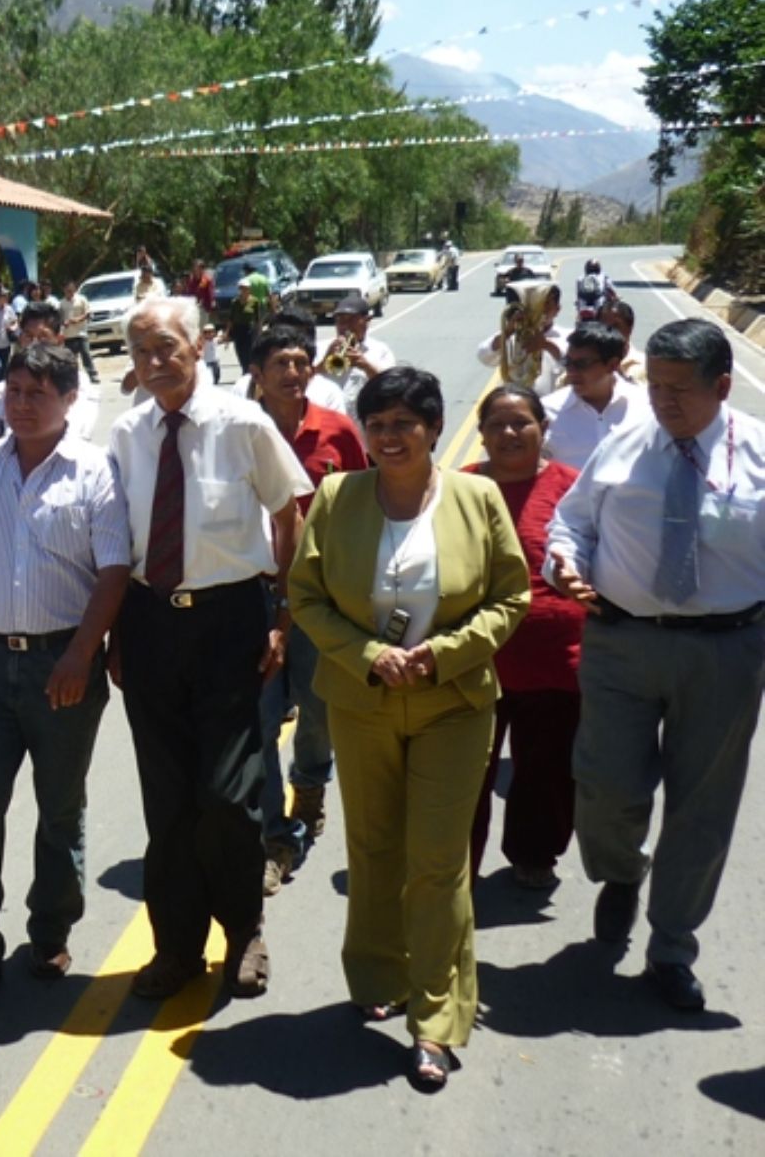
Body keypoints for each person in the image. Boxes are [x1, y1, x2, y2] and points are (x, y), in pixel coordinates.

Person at [288, 366, 529, 1091]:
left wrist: (440, 654)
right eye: (378, 422)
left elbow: (508, 597)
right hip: (362, 700)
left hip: (451, 702)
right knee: (372, 845)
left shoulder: (477, 498)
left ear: (432, 429)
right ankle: (374, 974)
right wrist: (369, 656)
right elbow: (305, 594)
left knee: (436, 861)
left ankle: (436, 1022)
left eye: (405, 424)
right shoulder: (338, 496)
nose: (390, 437)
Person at [546, 319, 765, 1014]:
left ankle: (671, 946)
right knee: (604, 785)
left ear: (721, 387)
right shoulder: (626, 442)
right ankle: (619, 873)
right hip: (621, 642)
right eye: (657, 385)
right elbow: (571, 521)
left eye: (679, 390)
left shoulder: (758, 453)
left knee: (702, 807)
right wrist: (566, 560)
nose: (663, 401)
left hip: (726, 651)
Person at [107, 297, 310, 1004]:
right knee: (167, 803)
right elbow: (115, 545)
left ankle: (244, 930)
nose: (154, 361)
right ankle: (177, 948)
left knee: (227, 795)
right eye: (140, 350)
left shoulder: (243, 423)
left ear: (198, 347)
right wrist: (114, 635)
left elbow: (289, 517)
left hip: (231, 623)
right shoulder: (127, 433)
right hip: (148, 624)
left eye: (166, 347)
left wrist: (284, 616)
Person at [0, 343, 132, 993]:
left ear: (70, 400)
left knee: (59, 808)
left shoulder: (97, 474)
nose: (22, 404)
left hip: (63, 664)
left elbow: (115, 572)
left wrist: (80, 653)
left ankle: (51, 935)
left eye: (38, 393)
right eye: (13, 391)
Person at [246, 325, 369, 897]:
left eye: (301, 362)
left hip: (323, 601)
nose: (293, 373)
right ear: (256, 373)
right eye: (280, 363)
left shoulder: (338, 431)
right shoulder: (238, 432)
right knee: (262, 721)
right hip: (255, 600)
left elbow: (364, 504)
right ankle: (275, 835)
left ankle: (311, 790)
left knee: (318, 715)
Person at [465, 386, 586, 888]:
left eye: (522, 423)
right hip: (473, 661)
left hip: (556, 662)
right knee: (466, 775)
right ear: (481, 435)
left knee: (547, 770)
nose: (509, 433)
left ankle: (535, 854)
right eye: (497, 424)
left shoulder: (574, 488)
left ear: (544, 428)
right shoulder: (457, 488)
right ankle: (455, 870)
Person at [0, 302, 101, 447]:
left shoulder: (78, 387)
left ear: (59, 341)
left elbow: (76, 436)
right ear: (21, 339)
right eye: (29, 336)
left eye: (43, 337)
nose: (35, 344)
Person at [541, 322, 651, 469]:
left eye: (582, 364)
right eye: (568, 363)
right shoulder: (546, 410)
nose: (571, 371)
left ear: (612, 365)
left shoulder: (644, 405)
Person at [319, 294, 396, 420]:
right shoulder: (322, 347)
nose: (345, 326)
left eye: (351, 320)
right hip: (329, 421)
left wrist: (365, 365)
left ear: (367, 320)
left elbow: (392, 385)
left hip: (362, 425)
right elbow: (307, 379)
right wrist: (325, 360)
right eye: (340, 321)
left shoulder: (381, 350)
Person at [479, 283, 564, 395]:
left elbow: (571, 363)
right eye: (534, 304)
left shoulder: (567, 336)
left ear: (557, 309)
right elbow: (484, 356)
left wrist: (546, 345)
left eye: (546, 303)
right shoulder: (513, 337)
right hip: (516, 405)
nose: (540, 309)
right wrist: (507, 333)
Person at [59, 279, 100, 384]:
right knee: (71, 358)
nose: (70, 292)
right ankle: (73, 377)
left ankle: (92, 375)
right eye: (67, 290)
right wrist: (65, 322)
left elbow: (88, 313)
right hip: (69, 335)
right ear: (64, 290)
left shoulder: (81, 299)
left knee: (86, 354)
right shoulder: (62, 303)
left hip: (81, 333)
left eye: (72, 290)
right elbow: (59, 319)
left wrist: (78, 319)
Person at [598, 299, 641, 380]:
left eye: (615, 327)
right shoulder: (586, 365)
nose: (609, 331)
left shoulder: (644, 366)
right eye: (603, 326)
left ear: (629, 329)